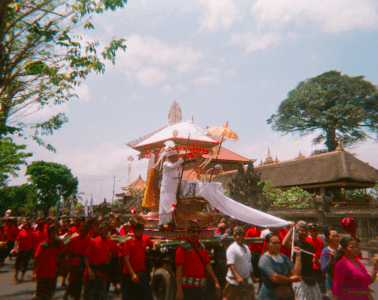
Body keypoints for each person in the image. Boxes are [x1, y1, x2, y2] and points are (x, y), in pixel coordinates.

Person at [175, 220, 221, 300]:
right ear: (188, 232)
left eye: (198, 231)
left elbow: (207, 265)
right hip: (188, 289)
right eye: (193, 231)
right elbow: (179, 271)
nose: (196, 234)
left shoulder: (202, 246)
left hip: (202, 287)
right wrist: (179, 291)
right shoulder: (182, 247)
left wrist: (216, 281)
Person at [283, 221, 322, 300]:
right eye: (301, 230)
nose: (304, 232)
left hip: (311, 276)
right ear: (297, 231)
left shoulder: (310, 245)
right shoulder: (295, 243)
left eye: (306, 230)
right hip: (300, 278)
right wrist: (291, 229)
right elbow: (284, 243)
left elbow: (314, 260)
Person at [82, 221, 122, 300]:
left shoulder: (110, 242)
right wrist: (89, 271)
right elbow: (86, 258)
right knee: (89, 295)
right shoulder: (93, 242)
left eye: (107, 229)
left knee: (102, 295)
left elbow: (121, 250)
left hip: (103, 271)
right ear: (100, 230)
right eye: (103, 229)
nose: (105, 231)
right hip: (92, 271)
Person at [121, 223, 160, 300]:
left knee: (147, 296)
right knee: (129, 297)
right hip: (129, 274)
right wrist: (132, 275)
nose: (139, 233)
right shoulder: (128, 243)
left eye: (141, 231)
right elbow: (126, 260)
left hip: (141, 272)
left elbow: (152, 244)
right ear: (134, 232)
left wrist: (156, 243)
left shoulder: (145, 239)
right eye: (137, 231)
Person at [258, 233, 302, 300]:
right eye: (274, 243)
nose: (277, 245)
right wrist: (290, 279)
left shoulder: (283, 257)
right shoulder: (264, 259)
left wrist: (298, 256)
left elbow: (296, 274)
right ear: (267, 244)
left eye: (278, 243)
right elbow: (275, 278)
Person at [32, 225, 64, 300]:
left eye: (55, 233)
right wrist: (34, 273)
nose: (54, 235)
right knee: (39, 295)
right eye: (52, 233)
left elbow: (58, 256)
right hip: (42, 273)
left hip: (52, 274)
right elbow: (35, 258)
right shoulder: (43, 245)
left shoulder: (57, 245)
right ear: (49, 234)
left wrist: (65, 246)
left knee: (49, 294)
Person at [223, 226, 255, 300]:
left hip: (247, 280)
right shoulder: (232, 248)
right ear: (234, 237)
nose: (241, 237)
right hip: (234, 281)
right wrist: (238, 277)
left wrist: (252, 275)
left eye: (242, 235)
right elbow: (231, 264)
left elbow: (248, 262)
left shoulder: (246, 248)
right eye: (238, 235)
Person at [159, 150, 187, 231]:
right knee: (166, 207)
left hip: (173, 189)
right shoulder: (166, 163)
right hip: (166, 189)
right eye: (175, 156)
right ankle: (163, 225)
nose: (176, 158)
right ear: (170, 157)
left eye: (177, 157)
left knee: (172, 206)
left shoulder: (174, 166)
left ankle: (170, 223)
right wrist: (181, 159)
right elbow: (173, 166)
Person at [64, 224, 91, 300]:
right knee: (72, 280)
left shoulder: (88, 239)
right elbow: (70, 253)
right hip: (75, 262)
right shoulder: (74, 240)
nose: (85, 232)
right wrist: (69, 264)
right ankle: (67, 293)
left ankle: (77, 296)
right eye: (83, 230)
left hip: (83, 262)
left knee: (80, 280)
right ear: (81, 231)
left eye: (86, 231)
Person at [305, 223, 325, 293]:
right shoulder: (306, 240)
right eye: (314, 230)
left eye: (317, 230)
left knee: (321, 287)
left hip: (319, 266)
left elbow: (322, 254)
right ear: (309, 231)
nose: (316, 232)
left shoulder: (320, 241)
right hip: (311, 267)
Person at [321, 227, 340, 299]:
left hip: (345, 284)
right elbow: (323, 270)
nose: (336, 238)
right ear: (327, 238)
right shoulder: (324, 251)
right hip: (332, 284)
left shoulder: (343, 250)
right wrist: (331, 261)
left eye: (337, 236)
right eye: (333, 236)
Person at [245, 225, 263, 293]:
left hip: (260, 253)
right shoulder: (250, 230)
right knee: (255, 271)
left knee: (261, 271)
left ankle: (259, 288)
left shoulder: (262, 231)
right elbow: (246, 239)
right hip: (253, 253)